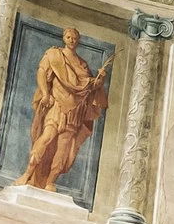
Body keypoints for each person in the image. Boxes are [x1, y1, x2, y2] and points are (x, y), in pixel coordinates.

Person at [15, 27, 111, 191]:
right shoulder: (54, 54)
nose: (72, 40)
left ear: (78, 40)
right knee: (46, 137)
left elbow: (90, 87)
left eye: (74, 38)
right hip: (57, 105)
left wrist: (100, 78)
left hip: (75, 111)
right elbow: (42, 73)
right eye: (69, 37)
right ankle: (28, 174)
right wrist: (45, 93)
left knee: (63, 148)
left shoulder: (82, 64)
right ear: (64, 38)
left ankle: (50, 182)